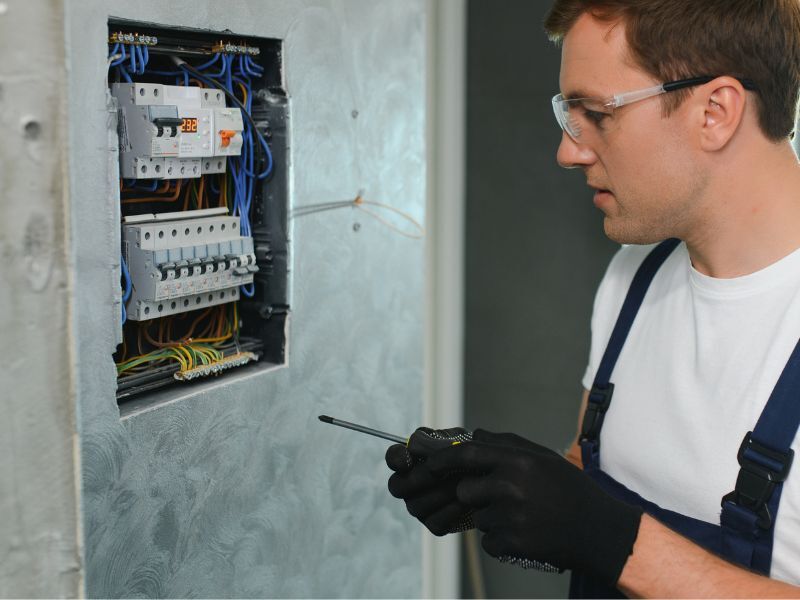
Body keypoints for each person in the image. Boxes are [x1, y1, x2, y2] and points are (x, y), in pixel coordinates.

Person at [386, 0, 800, 597]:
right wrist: (506, 492)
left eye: (597, 114)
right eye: (568, 113)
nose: (568, 151)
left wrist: (614, 541)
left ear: (715, 111)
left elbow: (608, 532)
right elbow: (598, 475)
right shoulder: (633, 278)